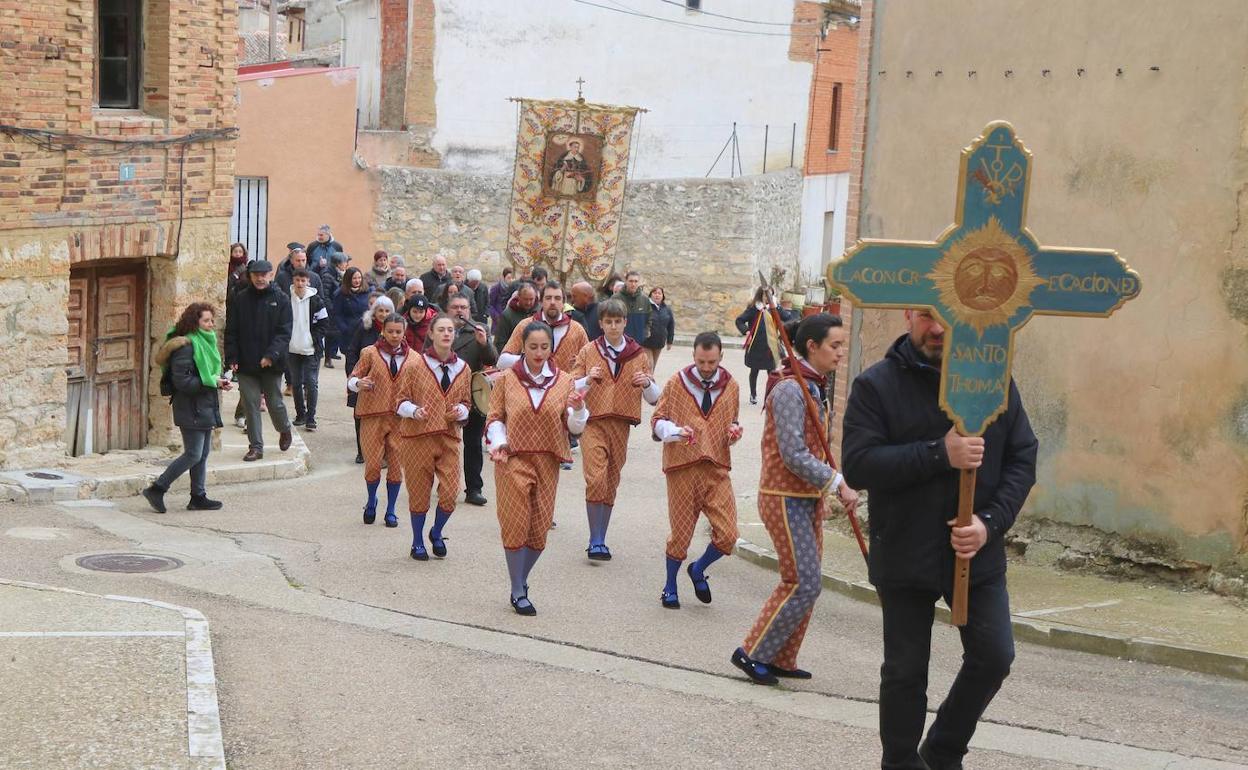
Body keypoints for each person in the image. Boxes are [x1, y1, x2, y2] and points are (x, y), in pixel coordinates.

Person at [841, 309, 1037, 770]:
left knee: (994, 656)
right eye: (928, 315)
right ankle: (900, 763)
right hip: (904, 548)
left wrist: (989, 523)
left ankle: (943, 752)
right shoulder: (876, 385)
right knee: (905, 672)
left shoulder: (993, 383)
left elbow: (1022, 457)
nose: (937, 328)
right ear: (909, 313)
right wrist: (939, 453)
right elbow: (859, 464)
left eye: (948, 317)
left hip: (975, 550)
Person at [733, 313, 859, 686]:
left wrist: (828, 486)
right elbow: (793, 454)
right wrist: (837, 482)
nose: (840, 352)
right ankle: (752, 652)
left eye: (841, 345)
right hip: (782, 496)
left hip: (805, 498)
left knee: (808, 581)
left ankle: (781, 658)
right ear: (812, 346)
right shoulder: (790, 389)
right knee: (801, 581)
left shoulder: (814, 386)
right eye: (835, 345)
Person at [485, 322, 589, 615]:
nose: (539, 352)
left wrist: (579, 408)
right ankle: (518, 589)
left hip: (547, 461)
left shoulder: (564, 382)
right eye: (533, 347)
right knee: (515, 523)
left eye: (544, 347)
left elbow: (574, 428)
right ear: (523, 347)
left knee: (539, 530)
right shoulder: (507, 379)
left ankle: (521, 578)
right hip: (513, 459)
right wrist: (499, 442)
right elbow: (494, 418)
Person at [651, 332, 743, 608]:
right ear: (693, 355)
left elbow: (732, 421)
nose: (706, 367)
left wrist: (734, 432)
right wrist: (675, 431)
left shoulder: (731, 386)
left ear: (720, 357)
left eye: (711, 362)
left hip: (716, 467)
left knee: (728, 534)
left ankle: (698, 568)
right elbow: (657, 421)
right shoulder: (676, 383)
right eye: (701, 361)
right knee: (681, 534)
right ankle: (670, 586)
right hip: (682, 468)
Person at [569, 298, 660, 560]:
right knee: (596, 477)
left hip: (621, 423)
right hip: (593, 421)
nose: (613, 326)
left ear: (625, 323)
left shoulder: (638, 354)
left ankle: (602, 536)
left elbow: (654, 398)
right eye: (608, 322)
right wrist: (588, 379)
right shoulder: (589, 351)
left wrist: (646, 383)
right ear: (601, 323)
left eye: (617, 321)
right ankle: (594, 539)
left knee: (611, 479)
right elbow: (570, 385)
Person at [143, 303, 233, 513]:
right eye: (206, 321)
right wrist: (212, 382)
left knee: (203, 453)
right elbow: (182, 381)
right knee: (193, 454)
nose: (211, 324)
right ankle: (157, 488)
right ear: (194, 322)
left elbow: (207, 375)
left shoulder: (206, 343)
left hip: (204, 405)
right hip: (190, 407)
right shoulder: (186, 346)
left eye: (211, 320)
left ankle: (198, 497)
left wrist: (218, 382)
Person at [396, 314, 471, 560]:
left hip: (449, 437)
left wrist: (461, 411)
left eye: (450, 330)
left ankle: (436, 531)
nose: (446, 333)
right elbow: (399, 401)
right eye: (441, 329)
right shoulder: (415, 365)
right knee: (419, 492)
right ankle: (417, 541)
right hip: (417, 438)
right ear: (431, 334)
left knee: (450, 492)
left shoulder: (463, 369)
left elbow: (467, 403)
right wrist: (414, 411)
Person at [348, 311, 414, 528]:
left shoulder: (414, 359)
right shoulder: (369, 353)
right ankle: (371, 501)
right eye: (390, 331)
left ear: (404, 333)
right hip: (372, 416)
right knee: (373, 463)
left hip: (399, 419)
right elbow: (353, 378)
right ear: (383, 331)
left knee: (396, 465)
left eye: (398, 332)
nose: (395, 335)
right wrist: (358, 384)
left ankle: (391, 509)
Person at [224, 260, 293, 462]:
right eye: (256, 275)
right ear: (251, 276)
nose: (260, 279)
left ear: (270, 275)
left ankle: (284, 428)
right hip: (246, 362)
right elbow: (231, 330)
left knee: (274, 402)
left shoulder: (281, 299)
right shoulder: (240, 298)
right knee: (250, 404)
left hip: (272, 363)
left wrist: (271, 355)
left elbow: (284, 332)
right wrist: (232, 357)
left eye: (264, 275)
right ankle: (256, 446)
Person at [447, 294, 497, 507]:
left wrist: (484, 344)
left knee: (473, 443)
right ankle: (444, 483)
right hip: (445, 394)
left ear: (469, 310)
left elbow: (492, 359)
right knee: (443, 442)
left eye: (463, 307)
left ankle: (474, 488)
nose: (459, 311)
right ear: (448, 309)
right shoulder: (441, 328)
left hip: (472, 395)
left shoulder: (479, 329)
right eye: (455, 307)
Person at [345, 295, 395, 464]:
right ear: (374, 311)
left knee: (384, 418)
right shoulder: (364, 327)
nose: (383, 314)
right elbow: (352, 351)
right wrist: (353, 375)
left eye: (387, 311)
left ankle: (384, 453)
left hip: (385, 382)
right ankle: (362, 451)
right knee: (360, 416)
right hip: (363, 379)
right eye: (380, 310)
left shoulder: (395, 330)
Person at [498, 282, 589, 373]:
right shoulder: (525, 326)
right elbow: (502, 361)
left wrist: (580, 364)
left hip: (567, 381)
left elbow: (589, 363)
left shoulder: (577, 330)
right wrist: (529, 359)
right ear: (541, 302)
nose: (552, 302)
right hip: (531, 381)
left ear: (563, 303)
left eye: (557, 298)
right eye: (548, 298)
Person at [287, 269, 329, 431]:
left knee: (311, 383)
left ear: (308, 282)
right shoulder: (287, 299)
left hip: (311, 350)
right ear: (293, 281)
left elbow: (324, 323)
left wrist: (313, 339)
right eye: (297, 280)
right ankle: (300, 414)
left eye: (303, 281)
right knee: (296, 383)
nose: (300, 284)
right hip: (292, 349)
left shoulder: (317, 301)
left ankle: (311, 417)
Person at [735, 287, 780, 405]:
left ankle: (769, 396)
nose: (768, 297)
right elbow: (739, 320)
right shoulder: (754, 308)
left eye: (770, 295)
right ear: (761, 295)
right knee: (754, 371)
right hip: (756, 345)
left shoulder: (774, 309)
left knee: (771, 373)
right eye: (766, 295)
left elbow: (787, 317)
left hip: (770, 346)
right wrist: (746, 331)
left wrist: (778, 307)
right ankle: (753, 394)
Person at [320, 252, 348, 368]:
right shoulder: (328, 275)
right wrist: (331, 309)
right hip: (332, 309)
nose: (346, 264)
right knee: (330, 334)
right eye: (345, 262)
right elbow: (325, 295)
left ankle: (333, 354)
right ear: (338, 264)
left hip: (340, 308)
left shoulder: (341, 274)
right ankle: (328, 358)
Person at [492, 280, 537, 350]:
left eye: (531, 299)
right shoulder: (507, 315)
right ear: (518, 297)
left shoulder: (539, 312)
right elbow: (499, 343)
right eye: (525, 299)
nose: (528, 303)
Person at [642, 286, 674, 369]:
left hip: (659, 342)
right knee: (649, 365)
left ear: (662, 296)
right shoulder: (645, 307)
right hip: (646, 342)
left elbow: (671, 325)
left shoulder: (667, 309)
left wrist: (670, 341)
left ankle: (648, 377)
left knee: (653, 366)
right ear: (650, 295)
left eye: (659, 293)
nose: (657, 295)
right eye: (655, 293)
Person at [613, 270, 650, 341]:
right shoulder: (616, 298)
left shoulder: (644, 299)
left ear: (639, 283)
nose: (633, 284)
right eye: (631, 281)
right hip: (621, 341)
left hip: (639, 341)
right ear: (626, 281)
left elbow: (649, 318)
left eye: (636, 281)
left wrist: (645, 333)